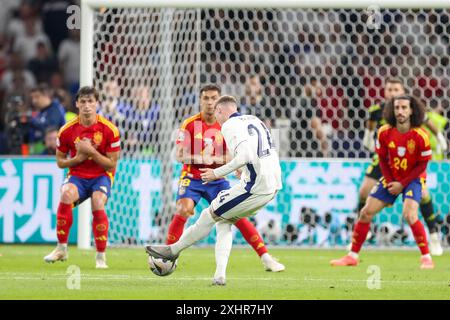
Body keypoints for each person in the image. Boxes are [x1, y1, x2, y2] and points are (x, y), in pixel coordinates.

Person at [146, 95, 283, 285]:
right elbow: (263, 152)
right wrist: (242, 169)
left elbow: (243, 155)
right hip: (273, 183)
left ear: (220, 110)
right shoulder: (253, 120)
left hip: (254, 187)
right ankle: (219, 275)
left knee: (208, 214)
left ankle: (173, 250)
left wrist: (215, 172)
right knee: (224, 220)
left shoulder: (228, 125)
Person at [331, 95, 434, 269]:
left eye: (404, 108)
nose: (400, 111)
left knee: (410, 215)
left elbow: (422, 165)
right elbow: (382, 159)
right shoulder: (384, 132)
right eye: (397, 108)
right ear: (392, 111)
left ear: (411, 111)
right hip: (392, 178)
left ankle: (426, 258)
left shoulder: (420, 136)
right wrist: (391, 180)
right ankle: (352, 256)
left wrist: (402, 184)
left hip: (413, 179)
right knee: (365, 212)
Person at [358, 77, 443, 255]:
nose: (392, 93)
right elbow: (370, 127)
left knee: (423, 195)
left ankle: (434, 235)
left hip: (408, 162)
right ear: (385, 92)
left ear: (402, 92)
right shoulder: (377, 111)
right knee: (364, 191)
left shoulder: (411, 111)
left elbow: (430, 124)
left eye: (396, 90)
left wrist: (441, 138)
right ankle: (364, 232)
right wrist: (368, 139)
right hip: (384, 158)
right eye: (389, 89)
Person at [44, 86, 121, 269]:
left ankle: (101, 257)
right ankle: (61, 248)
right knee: (66, 195)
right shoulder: (66, 130)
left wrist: (91, 152)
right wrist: (78, 158)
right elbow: (60, 162)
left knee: (98, 202)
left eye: (91, 101)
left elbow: (111, 165)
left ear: (97, 103)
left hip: (101, 176)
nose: (87, 106)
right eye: (83, 102)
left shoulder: (110, 130)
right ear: (77, 104)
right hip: (78, 175)